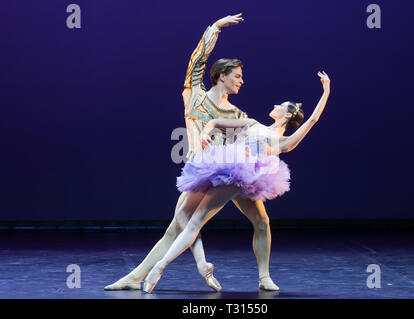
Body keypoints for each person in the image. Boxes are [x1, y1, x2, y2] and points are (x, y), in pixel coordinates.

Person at [105, 13, 279, 292]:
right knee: (180, 225)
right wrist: (215, 28)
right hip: (202, 171)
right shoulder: (194, 94)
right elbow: (196, 63)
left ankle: (263, 277)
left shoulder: (236, 113)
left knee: (261, 220)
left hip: (230, 174)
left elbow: (250, 137)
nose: (241, 81)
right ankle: (143, 275)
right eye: (237, 76)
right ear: (222, 76)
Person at [142, 71, 331, 293]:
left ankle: (264, 277)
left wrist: (326, 90)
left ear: (288, 115)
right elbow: (215, 122)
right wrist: (206, 132)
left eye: (281, 106)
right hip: (230, 174)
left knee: (262, 222)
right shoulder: (251, 123)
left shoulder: (283, 141)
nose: (276, 105)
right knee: (195, 220)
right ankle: (159, 267)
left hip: (248, 182)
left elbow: (313, 119)